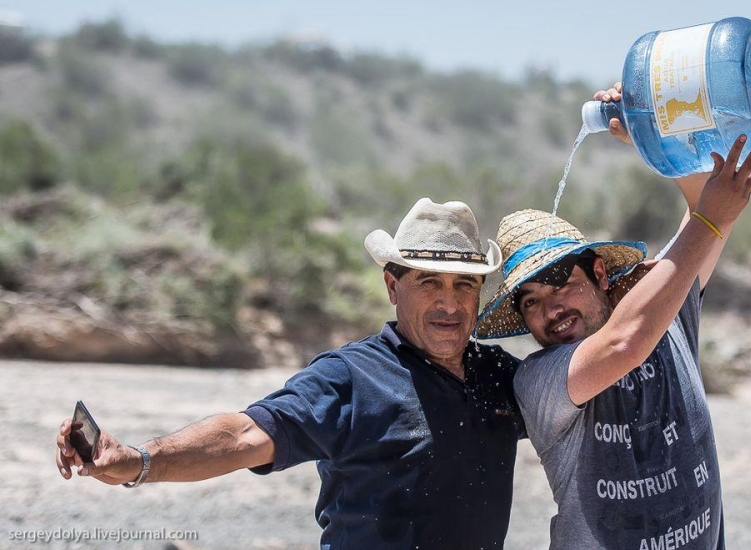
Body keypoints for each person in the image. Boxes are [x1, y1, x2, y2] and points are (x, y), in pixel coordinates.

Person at [56, 198, 524, 550]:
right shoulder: (351, 377)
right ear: (392, 286)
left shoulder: (499, 375)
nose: (448, 303)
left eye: (465, 285)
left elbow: (569, 397)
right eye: (429, 282)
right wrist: (139, 461)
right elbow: (244, 435)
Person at [474, 84, 751, 549]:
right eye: (529, 301)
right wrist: (710, 219)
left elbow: (703, 204)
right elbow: (624, 343)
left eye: (561, 283)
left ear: (599, 273)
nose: (550, 309)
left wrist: (655, 136)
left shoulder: (664, 308)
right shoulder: (540, 379)